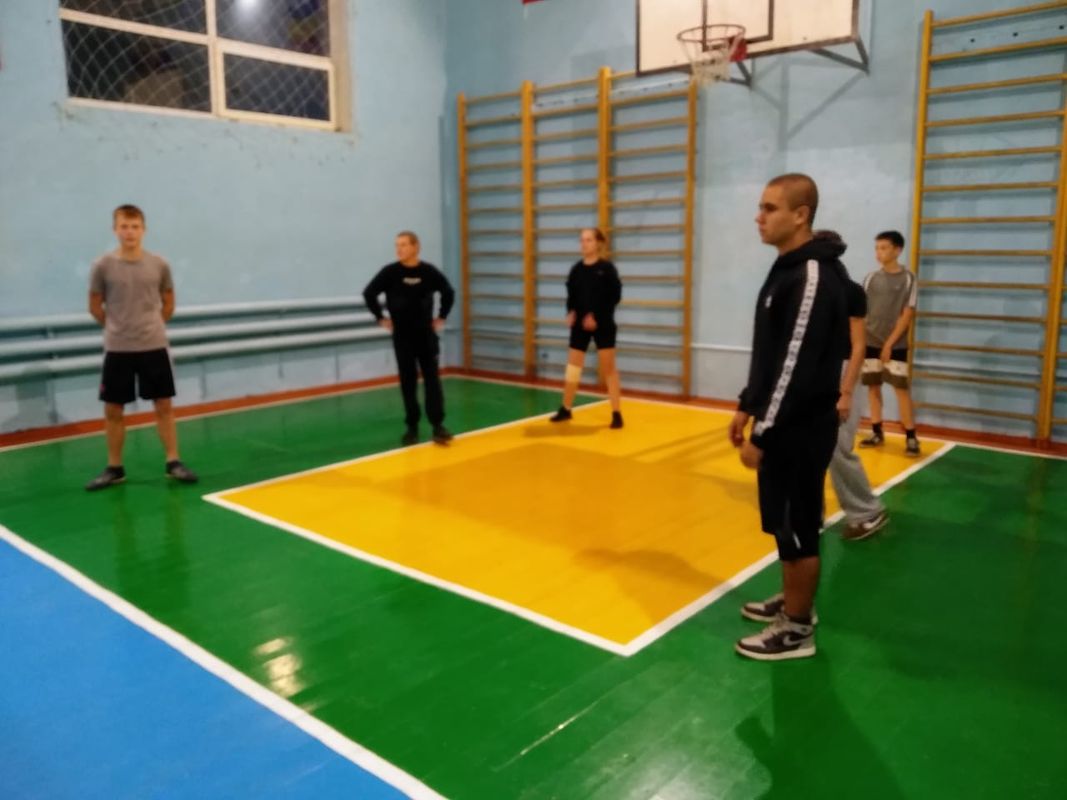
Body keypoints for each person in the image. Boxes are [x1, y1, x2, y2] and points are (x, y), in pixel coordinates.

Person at [728, 174, 848, 661]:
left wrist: (764, 431)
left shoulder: (811, 276)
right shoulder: (788, 267)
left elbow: (795, 366)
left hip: (798, 429)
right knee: (785, 524)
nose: (759, 217)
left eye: (770, 208)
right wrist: (746, 403)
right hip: (786, 424)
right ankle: (794, 600)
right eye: (760, 207)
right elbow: (772, 352)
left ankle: (797, 629)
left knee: (797, 528)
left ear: (801, 215)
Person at [85, 204, 198, 491]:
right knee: (113, 409)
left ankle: (173, 462)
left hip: (153, 346)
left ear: (143, 230)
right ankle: (115, 468)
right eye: (124, 226)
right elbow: (95, 305)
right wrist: (116, 328)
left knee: (163, 405)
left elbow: (168, 301)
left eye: (135, 227)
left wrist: (152, 326)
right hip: (118, 349)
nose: (130, 232)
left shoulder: (159, 265)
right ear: (115, 230)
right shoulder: (102, 266)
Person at [815, 231, 889, 542]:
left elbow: (858, 346)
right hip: (816, 372)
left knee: (836, 447)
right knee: (810, 445)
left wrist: (845, 393)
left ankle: (868, 512)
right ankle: (811, 510)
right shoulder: (809, 288)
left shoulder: (849, 291)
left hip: (844, 371)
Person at [363, 231, 455, 446]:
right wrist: (380, 318)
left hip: (426, 336)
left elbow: (448, 292)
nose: (399, 249)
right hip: (402, 337)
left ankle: (438, 426)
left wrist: (442, 316)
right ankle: (412, 427)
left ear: (416, 247)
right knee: (408, 381)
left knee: (432, 380)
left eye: (404, 244)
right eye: (397, 245)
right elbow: (369, 293)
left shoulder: (428, 271)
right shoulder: (390, 272)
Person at [549, 228, 624, 428]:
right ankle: (566, 409)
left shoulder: (607, 268)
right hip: (580, 325)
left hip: (603, 324)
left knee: (609, 368)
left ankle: (616, 413)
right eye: (582, 240)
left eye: (588, 240)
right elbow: (571, 296)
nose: (584, 244)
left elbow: (615, 297)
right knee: (573, 367)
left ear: (598, 243)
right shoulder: (576, 270)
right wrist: (571, 312)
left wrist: (596, 317)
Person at [859, 231, 920, 456]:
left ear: (897, 250)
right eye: (877, 248)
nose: (879, 252)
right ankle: (877, 431)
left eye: (884, 248)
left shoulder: (909, 279)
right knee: (873, 387)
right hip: (870, 342)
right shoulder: (870, 278)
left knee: (901, 389)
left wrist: (889, 344)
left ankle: (911, 437)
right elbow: (862, 311)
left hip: (896, 345)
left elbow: (907, 314)